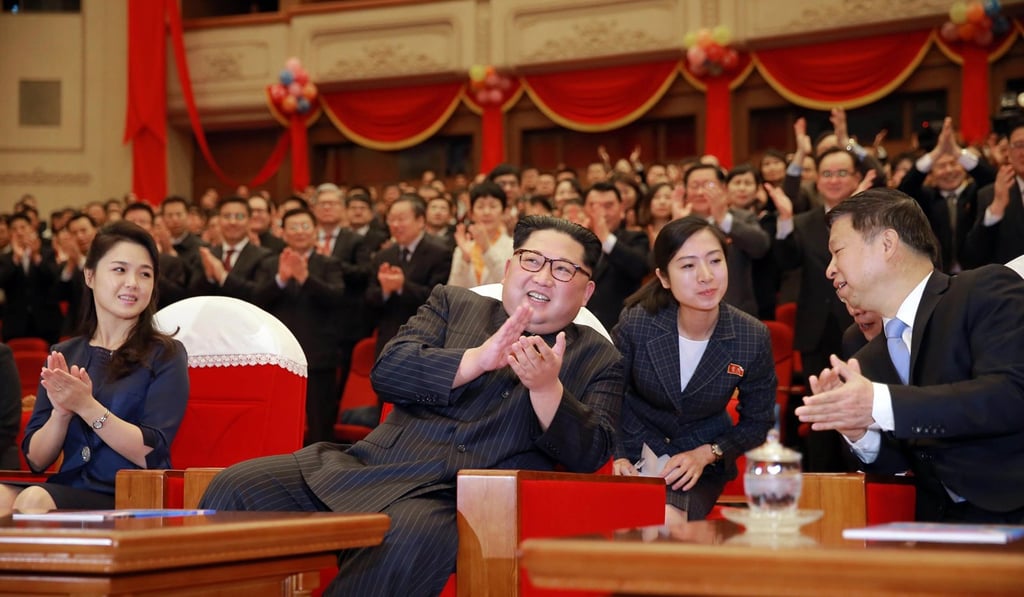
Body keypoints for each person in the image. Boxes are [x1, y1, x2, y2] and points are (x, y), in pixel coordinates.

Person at [199, 215, 622, 596]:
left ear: (585, 292)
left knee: (408, 538)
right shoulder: (453, 303)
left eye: (562, 269)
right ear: (509, 268)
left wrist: (548, 390)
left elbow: (591, 453)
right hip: (369, 466)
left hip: (456, 499)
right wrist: (475, 360)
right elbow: (389, 372)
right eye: (531, 260)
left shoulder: (601, 359)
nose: (543, 277)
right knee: (236, 487)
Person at [796, 188, 1024, 523]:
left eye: (837, 252)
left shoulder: (983, 289)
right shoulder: (867, 355)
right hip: (936, 529)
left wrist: (879, 402)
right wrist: (860, 430)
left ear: (887, 244)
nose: (830, 270)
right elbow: (900, 464)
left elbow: (1011, 395)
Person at [0, 221, 189, 513]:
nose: (132, 283)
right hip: (69, 486)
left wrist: (86, 406)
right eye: (119, 270)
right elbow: (36, 459)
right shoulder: (65, 353)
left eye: (145, 274)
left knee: (34, 501)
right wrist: (61, 414)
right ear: (89, 275)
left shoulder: (165, 354)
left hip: (131, 495)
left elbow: (151, 451)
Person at [612, 216, 775, 522]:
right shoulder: (638, 323)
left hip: (696, 465)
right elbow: (609, 396)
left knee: (662, 523)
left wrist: (709, 453)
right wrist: (618, 454)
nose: (705, 276)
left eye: (714, 261)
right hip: (633, 453)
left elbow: (758, 421)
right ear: (663, 277)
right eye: (688, 266)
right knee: (622, 524)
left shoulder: (751, 336)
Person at [448, 181, 513, 288]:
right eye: (480, 207)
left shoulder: (514, 247)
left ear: (504, 212)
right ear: (471, 214)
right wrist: (465, 259)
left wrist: (487, 249)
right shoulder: (464, 247)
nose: (486, 212)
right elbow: (453, 290)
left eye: (493, 206)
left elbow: (509, 284)